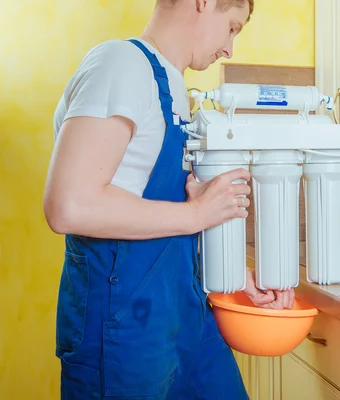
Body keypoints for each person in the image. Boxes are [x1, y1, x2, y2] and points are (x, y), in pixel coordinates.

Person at [43, 0, 295, 398]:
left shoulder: (174, 85)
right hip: (122, 331)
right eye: (232, 27)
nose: (230, 48)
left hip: (184, 315)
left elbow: (162, 216)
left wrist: (231, 274)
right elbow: (69, 206)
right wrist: (197, 213)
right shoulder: (121, 65)